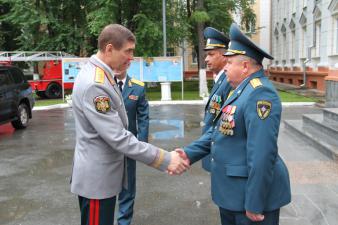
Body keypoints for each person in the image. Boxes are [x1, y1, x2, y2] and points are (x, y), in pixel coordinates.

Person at [70, 24, 189, 225]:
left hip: (101, 178)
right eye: (128, 51)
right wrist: (165, 158)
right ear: (109, 49)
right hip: (97, 182)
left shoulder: (102, 74)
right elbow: (117, 137)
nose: (131, 57)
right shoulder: (95, 84)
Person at [176, 23, 291, 225]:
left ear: (245, 66)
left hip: (249, 198)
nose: (225, 67)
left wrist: (255, 202)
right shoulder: (240, 89)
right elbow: (220, 131)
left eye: (229, 62)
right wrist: (189, 152)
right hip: (232, 195)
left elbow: (262, 153)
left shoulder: (260, 94)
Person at [113, 67, 149, 225]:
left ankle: (124, 221)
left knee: (127, 186)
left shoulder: (138, 87)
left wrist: (142, 145)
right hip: (107, 146)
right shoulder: (104, 84)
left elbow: (143, 117)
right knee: (106, 184)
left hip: (129, 146)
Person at [201, 27, 232, 172]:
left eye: (211, 54)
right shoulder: (221, 79)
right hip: (213, 149)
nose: (206, 59)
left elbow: (226, 123)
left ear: (224, 56)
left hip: (222, 155)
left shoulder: (229, 81)